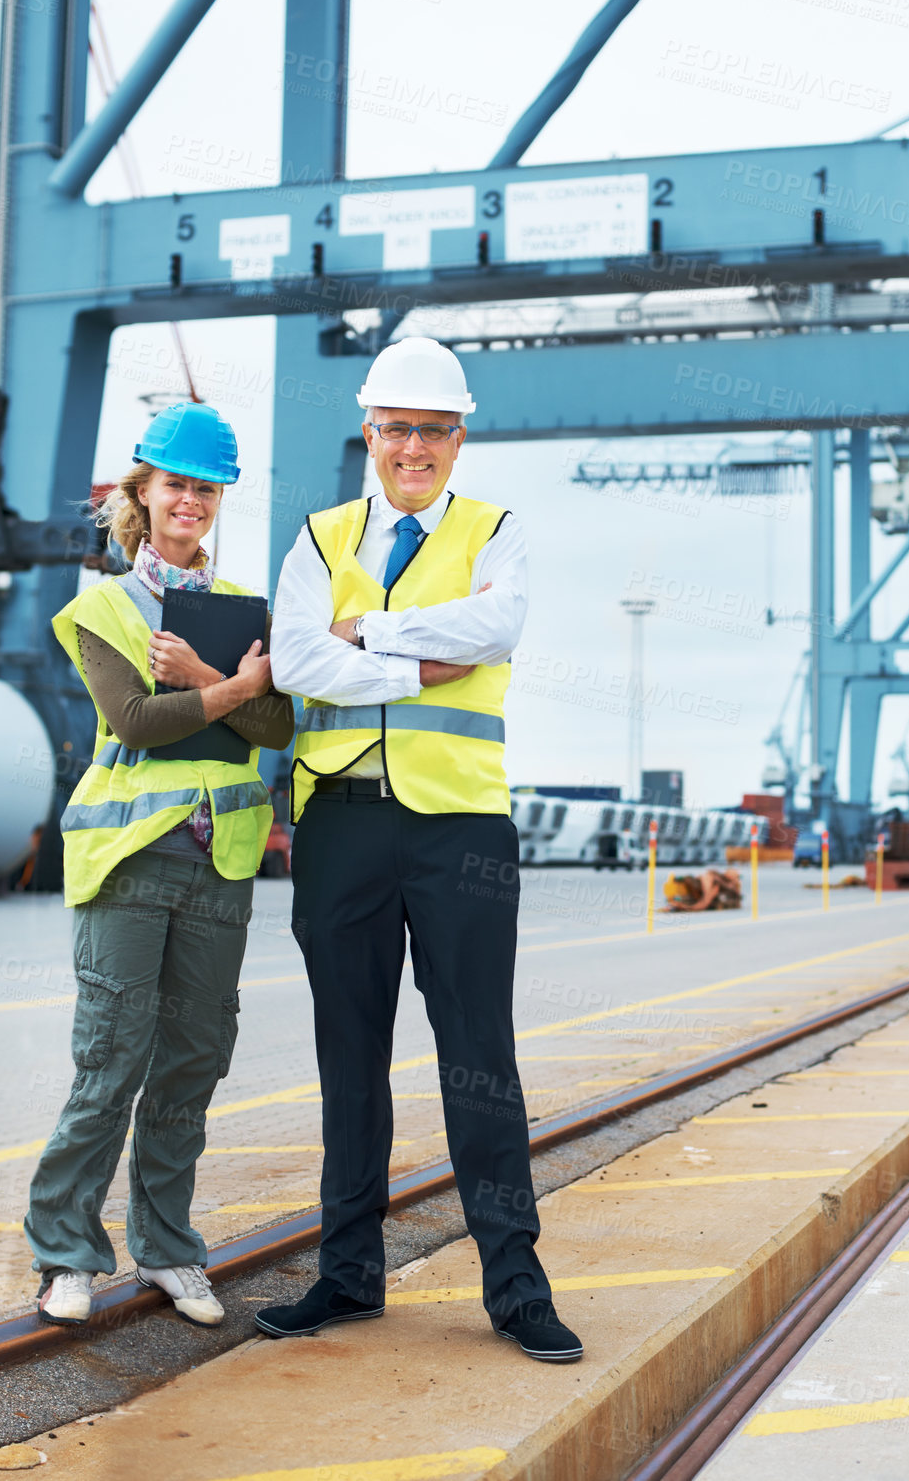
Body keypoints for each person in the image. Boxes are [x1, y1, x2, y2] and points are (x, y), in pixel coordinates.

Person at [261, 338, 582, 1362]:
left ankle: (516, 1287)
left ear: (458, 436)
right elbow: (300, 655)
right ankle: (348, 1276)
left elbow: (499, 625)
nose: (414, 447)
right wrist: (414, 659)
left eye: (433, 430)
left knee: (479, 1059)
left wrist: (371, 630)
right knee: (348, 1060)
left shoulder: (499, 530)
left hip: (460, 829)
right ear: (371, 432)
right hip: (341, 823)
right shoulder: (317, 537)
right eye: (396, 427)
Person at [24, 403, 293, 1328]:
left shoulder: (238, 609)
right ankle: (65, 1253)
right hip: (130, 860)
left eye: (206, 488)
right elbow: (135, 721)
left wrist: (219, 688)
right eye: (176, 484)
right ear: (142, 491)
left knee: (192, 1061)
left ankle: (169, 1249)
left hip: (219, 861)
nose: (192, 501)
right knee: (112, 1059)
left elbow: (276, 726)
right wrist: (227, 687)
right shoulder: (100, 606)